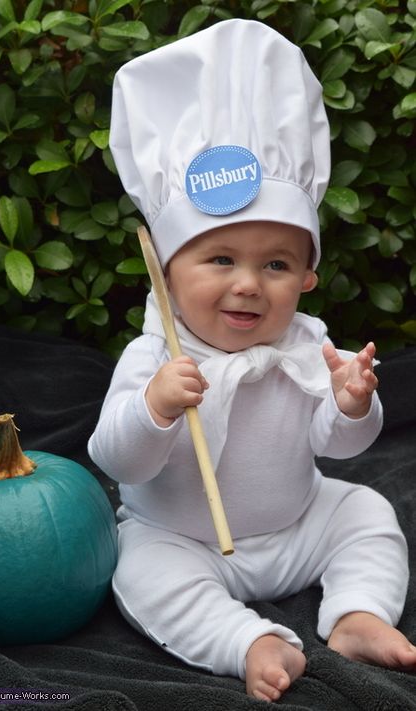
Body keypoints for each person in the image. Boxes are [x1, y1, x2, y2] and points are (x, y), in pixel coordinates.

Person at [88, 19, 416, 702]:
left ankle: (357, 612)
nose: (248, 283)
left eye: (275, 263)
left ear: (305, 277)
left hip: (299, 520)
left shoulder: (304, 344)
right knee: (139, 571)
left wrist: (353, 402)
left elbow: (339, 444)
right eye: (220, 259)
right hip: (184, 535)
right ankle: (247, 640)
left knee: (368, 512)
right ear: (168, 272)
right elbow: (117, 459)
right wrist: (154, 408)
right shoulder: (155, 355)